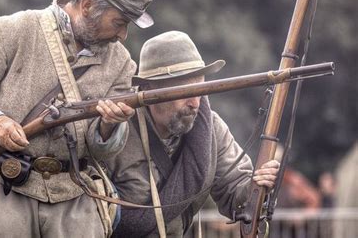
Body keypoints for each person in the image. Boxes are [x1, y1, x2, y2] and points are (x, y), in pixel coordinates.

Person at [0, 0, 153, 238]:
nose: (123, 35)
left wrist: (109, 126)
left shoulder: (122, 63)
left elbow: (103, 150)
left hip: (77, 196)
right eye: (119, 22)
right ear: (88, 5)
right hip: (9, 187)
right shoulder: (12, 30)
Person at [105, 31, 280, 237]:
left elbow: (235, 193)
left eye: (200, 90)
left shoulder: (211, 128)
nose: (195, 104)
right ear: (148, 91)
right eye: (184, 93)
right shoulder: (115, 130)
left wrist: (256, 187)